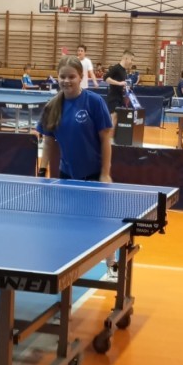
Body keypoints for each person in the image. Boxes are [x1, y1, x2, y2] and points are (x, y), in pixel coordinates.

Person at [37, 55, 116, 277]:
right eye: (62, 76)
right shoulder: (52, 106)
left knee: (102, 223)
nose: (66, 81)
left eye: (71, 76)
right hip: (67, 175)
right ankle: (67, 266)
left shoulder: (94, 102)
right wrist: (42, 171)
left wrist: (105, 173)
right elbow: (48, 141)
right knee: (67, 222)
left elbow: (105, 139)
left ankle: (112, 266)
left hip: (94, 173)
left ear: (81, 77)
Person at [105, 50, 135, 126]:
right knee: (113, 119)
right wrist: (119, 83)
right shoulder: (116, 68)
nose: (132, 62)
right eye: (131, 60)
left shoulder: (124, 71)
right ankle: (109, 134)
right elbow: (106, 78)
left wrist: (125, 88)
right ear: (126, 58)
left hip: (119, 98)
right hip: (113, 98)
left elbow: (121, 84)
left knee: (116, 121)